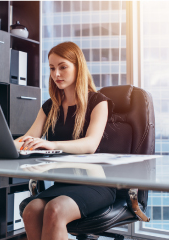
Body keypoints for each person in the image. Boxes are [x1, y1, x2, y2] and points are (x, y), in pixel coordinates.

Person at [14, 41, 116, 240]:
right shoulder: (50, 106)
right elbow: (28, 139)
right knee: (31, 210)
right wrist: (0, 144)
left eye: (63, 67)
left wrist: (53, 144)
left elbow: (90, 144)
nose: (56, 74)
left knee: (55, 209)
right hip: (63, 183)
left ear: (78, 67)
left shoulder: (98, 101)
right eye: (52, 68)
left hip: (96, 184)